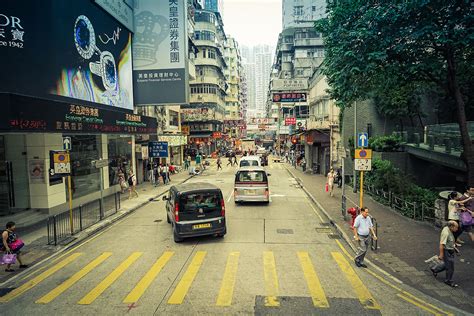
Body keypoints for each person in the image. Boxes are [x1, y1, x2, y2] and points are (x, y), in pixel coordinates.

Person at [439, 221, 459, 287]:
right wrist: (441, 255)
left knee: (448, 265)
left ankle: (436, 270)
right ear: (451, 226)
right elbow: (442, 244)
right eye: (456, 227)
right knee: (450, 267)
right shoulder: (446, 233)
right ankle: (448, 281)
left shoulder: (449, 229)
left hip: (450, 250)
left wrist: (455, 249)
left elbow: (450, 242)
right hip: (447, 251)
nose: (457, 229)